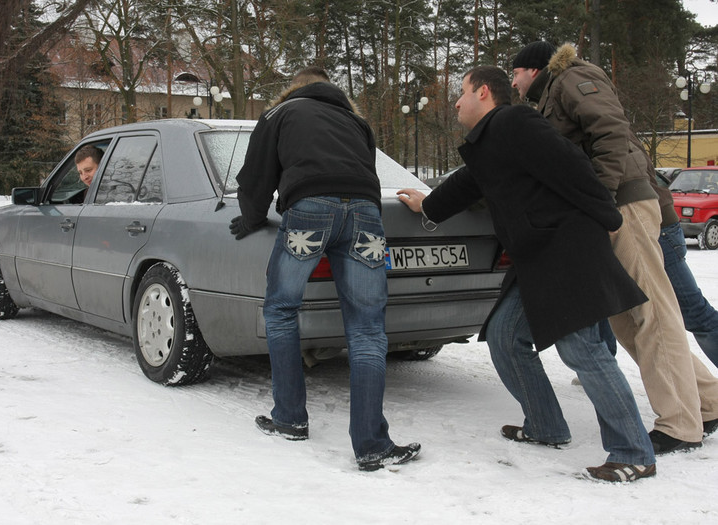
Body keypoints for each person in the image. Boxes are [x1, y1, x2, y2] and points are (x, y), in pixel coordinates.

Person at [397, 66, 656, 482]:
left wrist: (605, 214)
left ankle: (633, 451)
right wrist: (428, 206)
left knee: (581, 350)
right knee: (504, 336)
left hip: (564, 249)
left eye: (461, 94)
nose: (457, 103)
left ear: (484, 92)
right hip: (537, 256)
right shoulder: (493, 139)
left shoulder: (515, 121)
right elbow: (469, 182)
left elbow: (570, 162)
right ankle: (546, 426)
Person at [511, 41, 718, 452]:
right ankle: (708, 402)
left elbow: (609, 130)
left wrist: (600, 200)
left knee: (652, 315)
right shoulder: (552, 94)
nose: (512, 82)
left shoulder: (572, 77)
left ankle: (679, 424)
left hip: (623, 202)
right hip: (610, 209)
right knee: (628, 322)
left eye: (514, 72)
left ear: (532, 69)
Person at [231, 66, 420, 472]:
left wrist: (250, 217)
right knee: (368, 328)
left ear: (293, 88)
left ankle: (289, 417)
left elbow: (256, 175)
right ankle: (373, 445)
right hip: (367, 214)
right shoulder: (357, 121)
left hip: (310, 210)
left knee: (281, 308)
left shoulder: (279, 114)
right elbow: (363, 170)